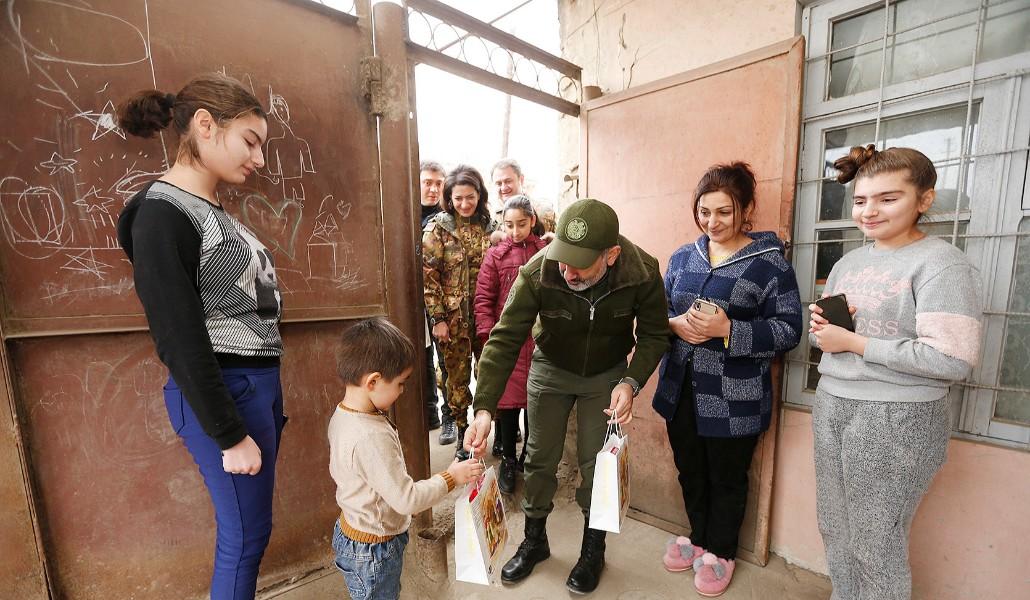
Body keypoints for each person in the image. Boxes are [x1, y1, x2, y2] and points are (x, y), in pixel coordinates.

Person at [116, 73, 285, 600]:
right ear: (206, 126)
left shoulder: (206, 206)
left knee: (252, 534)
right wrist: (229, 433)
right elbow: (177, 335)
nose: (259, 159)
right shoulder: (160, 213)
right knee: (245, 538)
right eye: (250, 142)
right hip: (225, 390)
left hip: (251, 385)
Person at [464, 198, 671, 593]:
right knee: (539, 457)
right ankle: (535, 540)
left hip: (606, 374)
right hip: (552, 366)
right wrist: (485, 408)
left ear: (611, 255)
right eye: (563, 259)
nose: (567, 271)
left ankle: (593, 550)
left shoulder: (642, 272)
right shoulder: (539, 270)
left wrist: (630, 382)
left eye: (580, 264)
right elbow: (504, 339)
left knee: (597, 464)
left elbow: (654, 334)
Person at [809, 145, 983, 600]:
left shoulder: (942, 263)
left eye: (888, 198)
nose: (869, 211)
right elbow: (830, 342)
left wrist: (856, 343)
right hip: (833, 404)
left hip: (897, 416)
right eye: (860, 200)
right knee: (835, 527)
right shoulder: (848, 263)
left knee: (876, 543)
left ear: (924, 199)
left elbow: (952, 358)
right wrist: (825, 331)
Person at [652, 162, 803, 597]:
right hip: (680, 388)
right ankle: (698, 537)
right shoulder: (683, 257)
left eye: (724, 212)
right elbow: (660, 310)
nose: (712, 222)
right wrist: (674, 324)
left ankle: (721, 551)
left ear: (747, 209)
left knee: (727, 478)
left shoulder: (769, 265)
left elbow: (789, 330)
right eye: (704, 212)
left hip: (734, 396)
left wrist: (729, 330)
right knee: (690, 470)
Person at [329, 318, 484, 600]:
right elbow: (407, 500)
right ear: (373, 381)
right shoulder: (370, 437)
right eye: (400, 383)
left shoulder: (344, 413)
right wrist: (451, 477)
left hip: (352, 530)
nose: (402, 391)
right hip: (374, 550)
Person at [474, 195, 548, 494]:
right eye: (509, 225)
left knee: (534, 401)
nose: (515, 231)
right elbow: (483, 299)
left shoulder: (546, 252)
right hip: (508, 340)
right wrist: (488, 335)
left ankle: (529, 457)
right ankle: (508, 458)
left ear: (532, 221)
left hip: (539, 340)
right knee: (506, 403)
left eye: (521, 224)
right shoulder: (495, 256)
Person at [422, 165, 497, 457]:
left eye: (470, 197)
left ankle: (489, 429)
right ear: (449, 199)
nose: (465, 204)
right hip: (453, 320)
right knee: (456, 377)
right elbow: (429, 278)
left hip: (487, 317)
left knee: (488, 372)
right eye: (458, 198)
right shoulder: (438, 229)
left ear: (480, 195)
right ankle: (462, 434)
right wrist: (438, 318)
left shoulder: (491, 227)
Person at [418, 160, 447, 432]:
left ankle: (449, 417)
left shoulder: (446, 218)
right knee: (422, 357)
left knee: (446, 359)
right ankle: (430, 415)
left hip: (441, 300)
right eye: (428, 182)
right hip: (413, 299)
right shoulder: (405, 214)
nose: (434, 189)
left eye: (439, 183)